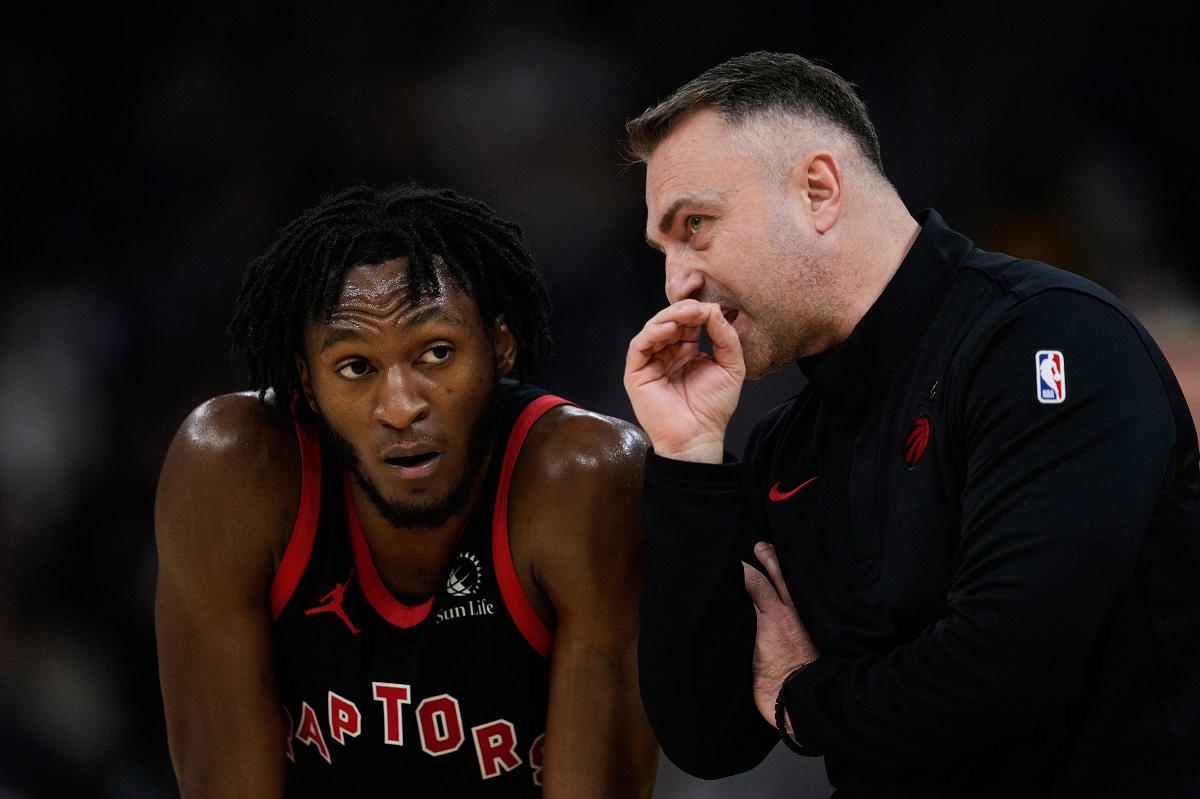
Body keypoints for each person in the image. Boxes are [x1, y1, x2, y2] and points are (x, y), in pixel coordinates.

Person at [622, 51, 1199, 797]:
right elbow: (709, 735)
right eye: (662, 249)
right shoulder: (784, 445)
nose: (676, 283)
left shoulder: (1050, 339)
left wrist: (809, 700)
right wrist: (688, 458)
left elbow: (1006, 663)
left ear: (819, 189)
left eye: (695, 225)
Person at [154, 181, 658, 797]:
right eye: (356, 367)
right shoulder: (232, 474)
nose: (400, 406)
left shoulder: (582, 481)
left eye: (437, 353)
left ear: (500, 347)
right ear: (306, 384)